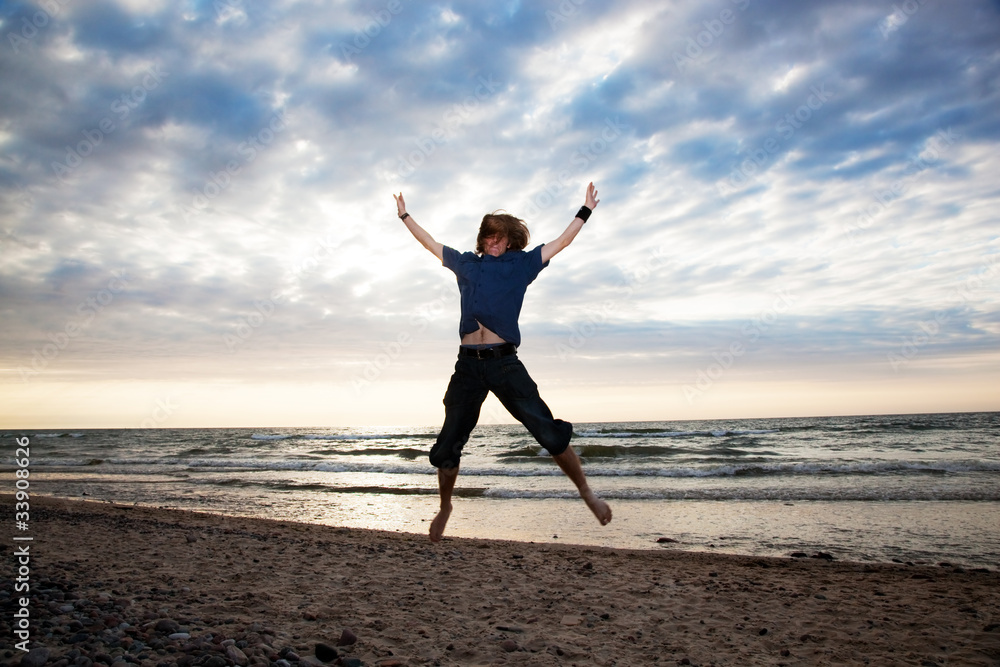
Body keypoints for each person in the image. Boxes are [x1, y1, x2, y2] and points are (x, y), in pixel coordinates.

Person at [393, 183, 612, 542]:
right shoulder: (466, 263)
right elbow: (429, 243)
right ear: (482, 240)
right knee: (448, 445)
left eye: (499, 238)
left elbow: (562, 242)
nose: (493, 243)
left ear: (509, 240)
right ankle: (445, 506)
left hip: (504, 364)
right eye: (488, 238)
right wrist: (404, 215)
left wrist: (584, 210)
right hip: (467, 366)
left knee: (546, 429)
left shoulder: (521, 266)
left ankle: (587, 493)